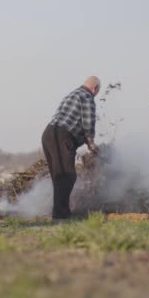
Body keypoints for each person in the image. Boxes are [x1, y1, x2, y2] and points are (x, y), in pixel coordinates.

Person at [42, 76, 100, 220]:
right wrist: (91, 143)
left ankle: (59, 214)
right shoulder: (87, 96)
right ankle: (61, 216)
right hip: (62, 136)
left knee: (58, 177)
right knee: (67, 176)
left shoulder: (73, 94)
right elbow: (88, 121)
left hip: (48, 134)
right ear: (95, 88)